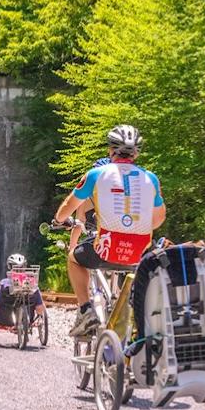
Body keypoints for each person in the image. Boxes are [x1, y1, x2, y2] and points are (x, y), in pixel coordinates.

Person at [52, 124, 165, 336]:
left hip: (105, 250)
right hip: (138, 254)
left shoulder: (96, 174)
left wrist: (59, 219)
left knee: (73, 258)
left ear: (109, 149)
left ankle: (86, 311)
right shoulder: (151, 178)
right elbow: (159, 218)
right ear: (137, 152)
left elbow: (70, 204)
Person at [0, 253, 47, 326]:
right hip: (27, 321)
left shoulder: (3, 284)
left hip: (4, 320)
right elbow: (40, 310)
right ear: (25, 267)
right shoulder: (32, 285)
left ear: (9, 267)